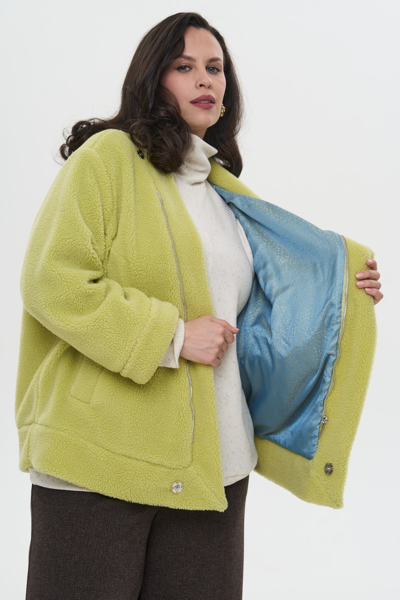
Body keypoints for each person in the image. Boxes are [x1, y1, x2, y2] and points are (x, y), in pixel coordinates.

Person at [15, 12, 384, 600]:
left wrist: (340, 294)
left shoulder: (218, 190)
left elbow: (256, 313)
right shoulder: (108, 158)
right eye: (184, 66)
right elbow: (51, 280)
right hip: (102, 459)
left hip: (215, 467)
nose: (205, 79)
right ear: (151, 78)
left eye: (215, 68)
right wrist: (172, 336)